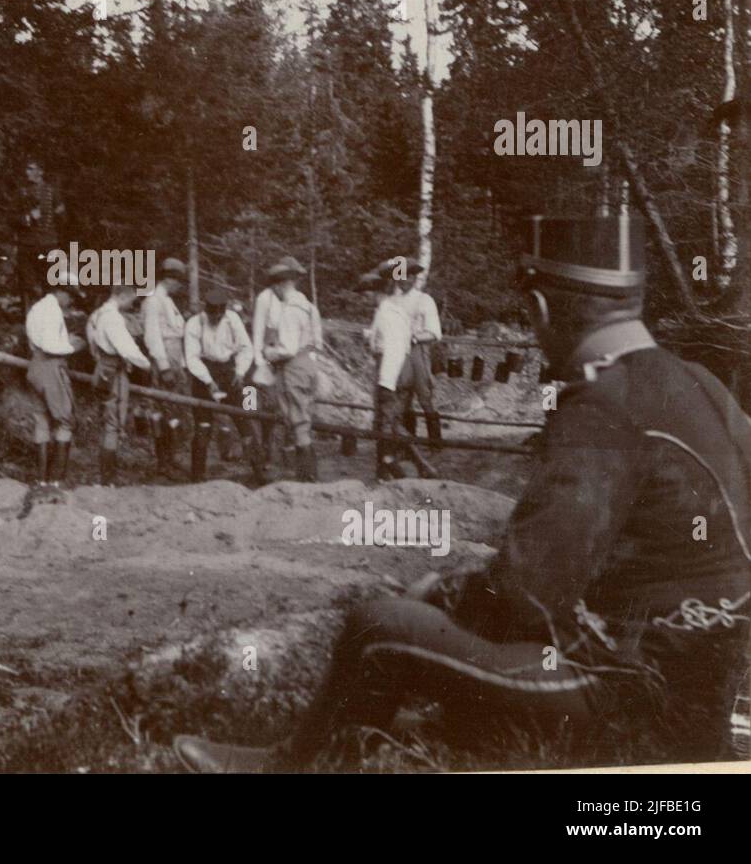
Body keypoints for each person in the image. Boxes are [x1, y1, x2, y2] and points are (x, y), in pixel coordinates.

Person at [177, 212, 751, 772]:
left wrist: (446, 594)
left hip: (627, 701)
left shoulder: (600, 404)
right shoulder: (698, 382)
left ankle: (295, 767)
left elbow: (527, 596)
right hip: (699, 705)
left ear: (541, 308)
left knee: (379, 626)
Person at [184, 286, 263, 483]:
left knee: (245, 419)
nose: (217, 317)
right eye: (213, 313)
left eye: (221, 313)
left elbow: (246, 348)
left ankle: (259, 472)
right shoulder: (194, 324)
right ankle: (197, 476)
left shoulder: (232, 320)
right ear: (207, 310)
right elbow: (192, 358)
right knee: (203, 425)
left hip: (229, 371)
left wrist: (240, 371)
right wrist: (208, 381)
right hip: (204, 372)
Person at [258, 259, 324, 483]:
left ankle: (307, 477)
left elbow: (287, 349)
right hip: (308, 364)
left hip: (293, 367)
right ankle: (308, 474)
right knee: (303, 417)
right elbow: (318, 342)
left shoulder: (289, 310)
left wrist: (268, 352)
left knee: (297, 420)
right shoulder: (308, 306)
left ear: (279, 285)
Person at [24, 273, 85, 498]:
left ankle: (41, 479)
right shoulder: (52, 311)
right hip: (50, 365)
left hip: (35, 364)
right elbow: (51, 345)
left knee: (41, 420)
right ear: (62, 291)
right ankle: (56, 480)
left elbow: (38, 340)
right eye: (70, 296)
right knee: (65, 420)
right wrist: (72, 347)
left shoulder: (37, 307)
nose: (71, 301)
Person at [86, 282, 151, 485]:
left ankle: (107, 476)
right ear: (122, 295)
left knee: (108, 422)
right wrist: (146, 364)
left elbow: (92, 343)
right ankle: (108, 479)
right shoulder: (112, 318)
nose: (132, 303)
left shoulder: (97, 315)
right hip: (112, 372)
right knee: (113, 424)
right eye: (131, 299)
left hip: (102, 368)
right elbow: (126, 347)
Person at [361, 257, 418, 481]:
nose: (364, 300)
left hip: (391, 373)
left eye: (366, 295)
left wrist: (385, 382)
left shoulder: (387, 313)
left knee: (386, 424)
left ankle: (394, 471)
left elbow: (394, 348)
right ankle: (387, 470)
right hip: (392, 370)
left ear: (375, 292)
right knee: (390, 424)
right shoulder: (388, 311)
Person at [141, 257, 188, 477]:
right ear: (168, 278)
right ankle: (163, 462)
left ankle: (171, 456)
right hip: (164, 360)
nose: (180, 285)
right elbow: (152, 336)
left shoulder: (167, 300)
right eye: (178, 280)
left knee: (174, 412)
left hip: (175, 357)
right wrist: (164, 366)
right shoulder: (153, 300)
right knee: (162, 412)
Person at [14, 157, 65, 313]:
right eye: (27, 169)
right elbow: (10, 217)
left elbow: (62, 216)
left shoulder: (51, 191)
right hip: (27, 243)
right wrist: (28, 217)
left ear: (40, 172)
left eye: (31, 169)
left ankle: (48, 315)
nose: (26, 172)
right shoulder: (20, 191)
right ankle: (27, 315)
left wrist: (60, 213)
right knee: (27, 283)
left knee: (49, 282)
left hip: (48, 243)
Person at [401, 278, 444, 446]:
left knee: (424, 396)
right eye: (398, 279)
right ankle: (409, 443)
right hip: (398, 351)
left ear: (413, 279)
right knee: (403, 397)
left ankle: (435, 442)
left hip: (417, 350)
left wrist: (414, 337)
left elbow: (434, 333)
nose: (402, 283)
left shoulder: (424, 300)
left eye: (405, 279)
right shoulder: (393, 301)